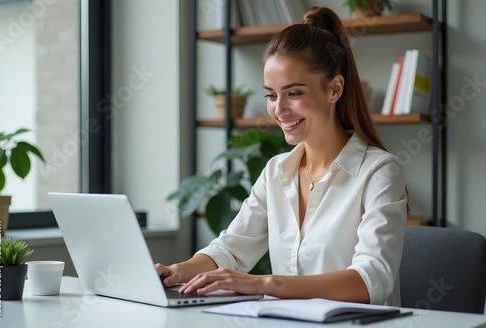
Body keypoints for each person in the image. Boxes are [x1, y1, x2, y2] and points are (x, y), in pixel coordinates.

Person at [156, 6, 407, 306]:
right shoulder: (276, 172)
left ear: (334, 89)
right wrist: (176, 271)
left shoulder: (379, 173)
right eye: (271, 95)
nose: (279, 109)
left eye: (294, 93)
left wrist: (266, 283)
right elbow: (230, 251)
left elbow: (371, 280)